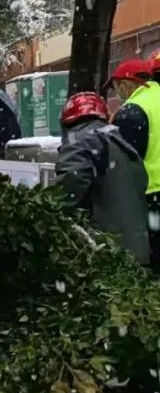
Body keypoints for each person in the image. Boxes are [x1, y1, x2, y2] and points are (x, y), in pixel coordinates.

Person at [55, 91, 149, 265]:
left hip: (104, 251)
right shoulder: (122, 144)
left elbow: (68, 188)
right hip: (135, 250)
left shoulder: (80, 141)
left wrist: (45, 214)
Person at [110, 59, 160, 268]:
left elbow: (124, 160)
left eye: (116, 88)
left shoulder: (133, 110)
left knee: (154, 256)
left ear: (125, 83)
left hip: (151, 194)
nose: (118, 95)